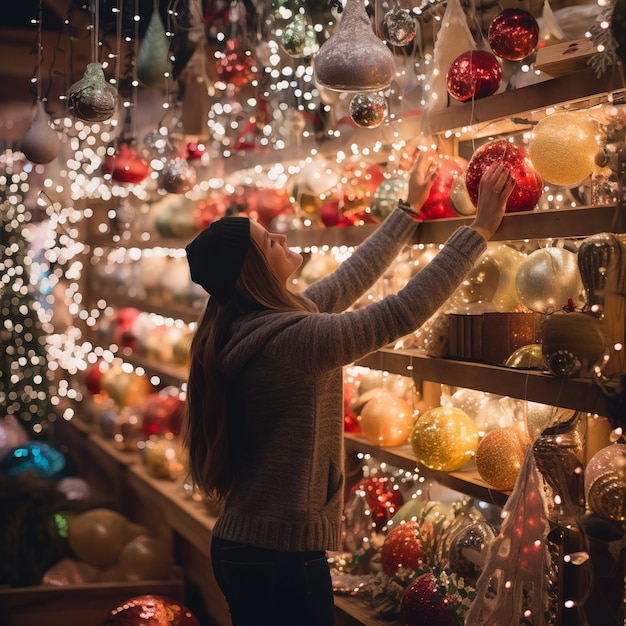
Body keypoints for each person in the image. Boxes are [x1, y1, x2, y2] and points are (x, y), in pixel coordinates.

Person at [183, 153, 514, 626]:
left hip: (251, 545)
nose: (279, 235)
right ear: (253, 272)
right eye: (266, 242)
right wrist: (478, 230)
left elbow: (351, 278)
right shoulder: (292, 340)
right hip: (279, 559)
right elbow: (400, 312)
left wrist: (407, 210)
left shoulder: (258, 324)